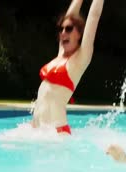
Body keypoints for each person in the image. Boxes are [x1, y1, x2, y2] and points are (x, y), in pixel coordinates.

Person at [31, 0, 104, 134]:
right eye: (61, 29)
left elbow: (94, 16)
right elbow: (70, 15)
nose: (63, 32)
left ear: (79, 34)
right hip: (38, 131)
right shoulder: (60, 55)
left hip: (57, 134)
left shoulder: (80, 59)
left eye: (69, 29)